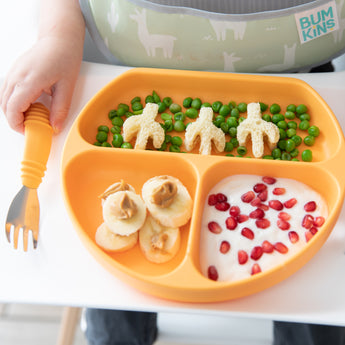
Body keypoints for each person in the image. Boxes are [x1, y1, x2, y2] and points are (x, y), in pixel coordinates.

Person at [1, 1, 345, 344]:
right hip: (128, 65)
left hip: (306, 67)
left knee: (317, 302)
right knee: (116, 286)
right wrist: (57, 33)